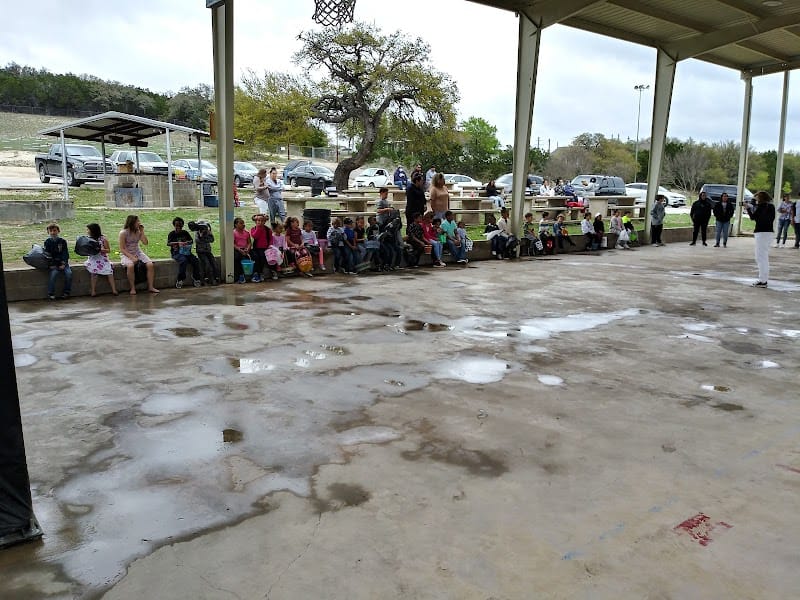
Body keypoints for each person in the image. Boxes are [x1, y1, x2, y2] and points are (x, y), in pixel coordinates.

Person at [119, 215, 158, 295]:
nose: (139, 223)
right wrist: (132, 257)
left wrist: (142, 232)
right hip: (127, 253)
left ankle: (150, 287)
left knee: (150, 264)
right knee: (130, 266)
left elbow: (145, 243)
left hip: (137, 251)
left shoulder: (138, 231)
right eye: (137, 221)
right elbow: (122, 249)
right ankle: (132, 288)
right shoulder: (123, 233)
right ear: (132, 223)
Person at [746, 190, 776, 287]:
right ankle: (763, 279)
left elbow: (753, 217)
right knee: (764, 256)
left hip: (761, 232)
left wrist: (748, 209)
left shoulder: (760, 207)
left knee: (760, 257)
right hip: (769, 232)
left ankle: (763, 280)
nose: (756, 200)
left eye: (757, 198)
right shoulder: (771, 206)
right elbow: (771, 218)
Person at [84, 223, 118, 297]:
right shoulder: (88, 239)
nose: (87, 231)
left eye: (88, 229)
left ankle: (114, 289)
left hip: (102, 259)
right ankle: (93, 290)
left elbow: (108, 250)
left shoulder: (103, 239)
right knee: (94, 273)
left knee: (109, 272)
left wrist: (102, 250)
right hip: (93, 259)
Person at [167, 217, 202, 289]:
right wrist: (177, 243)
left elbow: (191, 241)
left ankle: (196, 277)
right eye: (177, 226)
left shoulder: (185, 233)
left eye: (180, 226)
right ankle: (180, 279)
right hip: (176, 253)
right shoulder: (172, 234)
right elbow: (168, 243)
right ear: (174, 226)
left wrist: (186, 243)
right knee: (183, 261)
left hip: (186, 252)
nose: (178, 228)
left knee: (195, 261)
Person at [44, 223, 72, 300]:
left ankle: (66, 292)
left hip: (63, 263)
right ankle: (51, 293)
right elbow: (48, 255)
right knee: (53, 275)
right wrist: (52, 264)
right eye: (51, 231)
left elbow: (65, 253)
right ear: (48, 232)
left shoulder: (62, 241)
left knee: (69, 274)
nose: (53, 232)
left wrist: (63, 263)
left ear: (58, 231)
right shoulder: (47, 242)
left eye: (54, 230)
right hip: (54, 264)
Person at [192, 220, 220, 285]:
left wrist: (208, 233)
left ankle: (216, 277)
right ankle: (210, 279)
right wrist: (201, 235)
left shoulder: (208, 232)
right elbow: (197, 241)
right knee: (207, 264)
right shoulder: (197, 233)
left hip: (208, 251)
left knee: (214, 262)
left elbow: (212, 240)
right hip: (201, 252)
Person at [250, 214, 275, 281]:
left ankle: (270, 272)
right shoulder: (253, 229)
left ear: (264, 221)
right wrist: (258, 228)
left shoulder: (268, 230)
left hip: (266, 248)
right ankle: (258, 273)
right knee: (258, 258)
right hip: (257, 248)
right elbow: (255, 236)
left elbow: (270, 239)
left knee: (267, 258)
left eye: (262, 220)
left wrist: (270, 246)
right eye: (258, 220)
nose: (260, 222)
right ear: (256, 221)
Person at [232, 217, 252, 284]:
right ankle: (239, 276)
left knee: (254, 256)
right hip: (238, 249)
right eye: (241, 223)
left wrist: (248, 249)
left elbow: (249, 242)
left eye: (243, 223)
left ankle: (254, 274)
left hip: (245, 249)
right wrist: (240, 250)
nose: (243, 224)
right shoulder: (233, 233)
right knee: (237, 258)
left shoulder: (246, 233)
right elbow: (233, 243)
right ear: (235, 225)